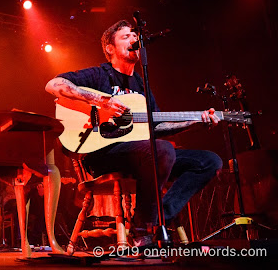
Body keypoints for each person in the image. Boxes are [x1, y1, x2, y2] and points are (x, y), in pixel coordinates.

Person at [45, 20, 223, 246]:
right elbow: (53, 84)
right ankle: (143, 230)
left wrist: (195, 122)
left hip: (146, 154)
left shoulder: (141, 83)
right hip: (102, 152)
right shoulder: (100, 74)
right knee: (163, 151)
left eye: (135, 36)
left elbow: (155, 127)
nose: (134, 40)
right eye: (126, 36)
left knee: (209, 161)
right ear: (110, 48)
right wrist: (99, 99)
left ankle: (157, 218)